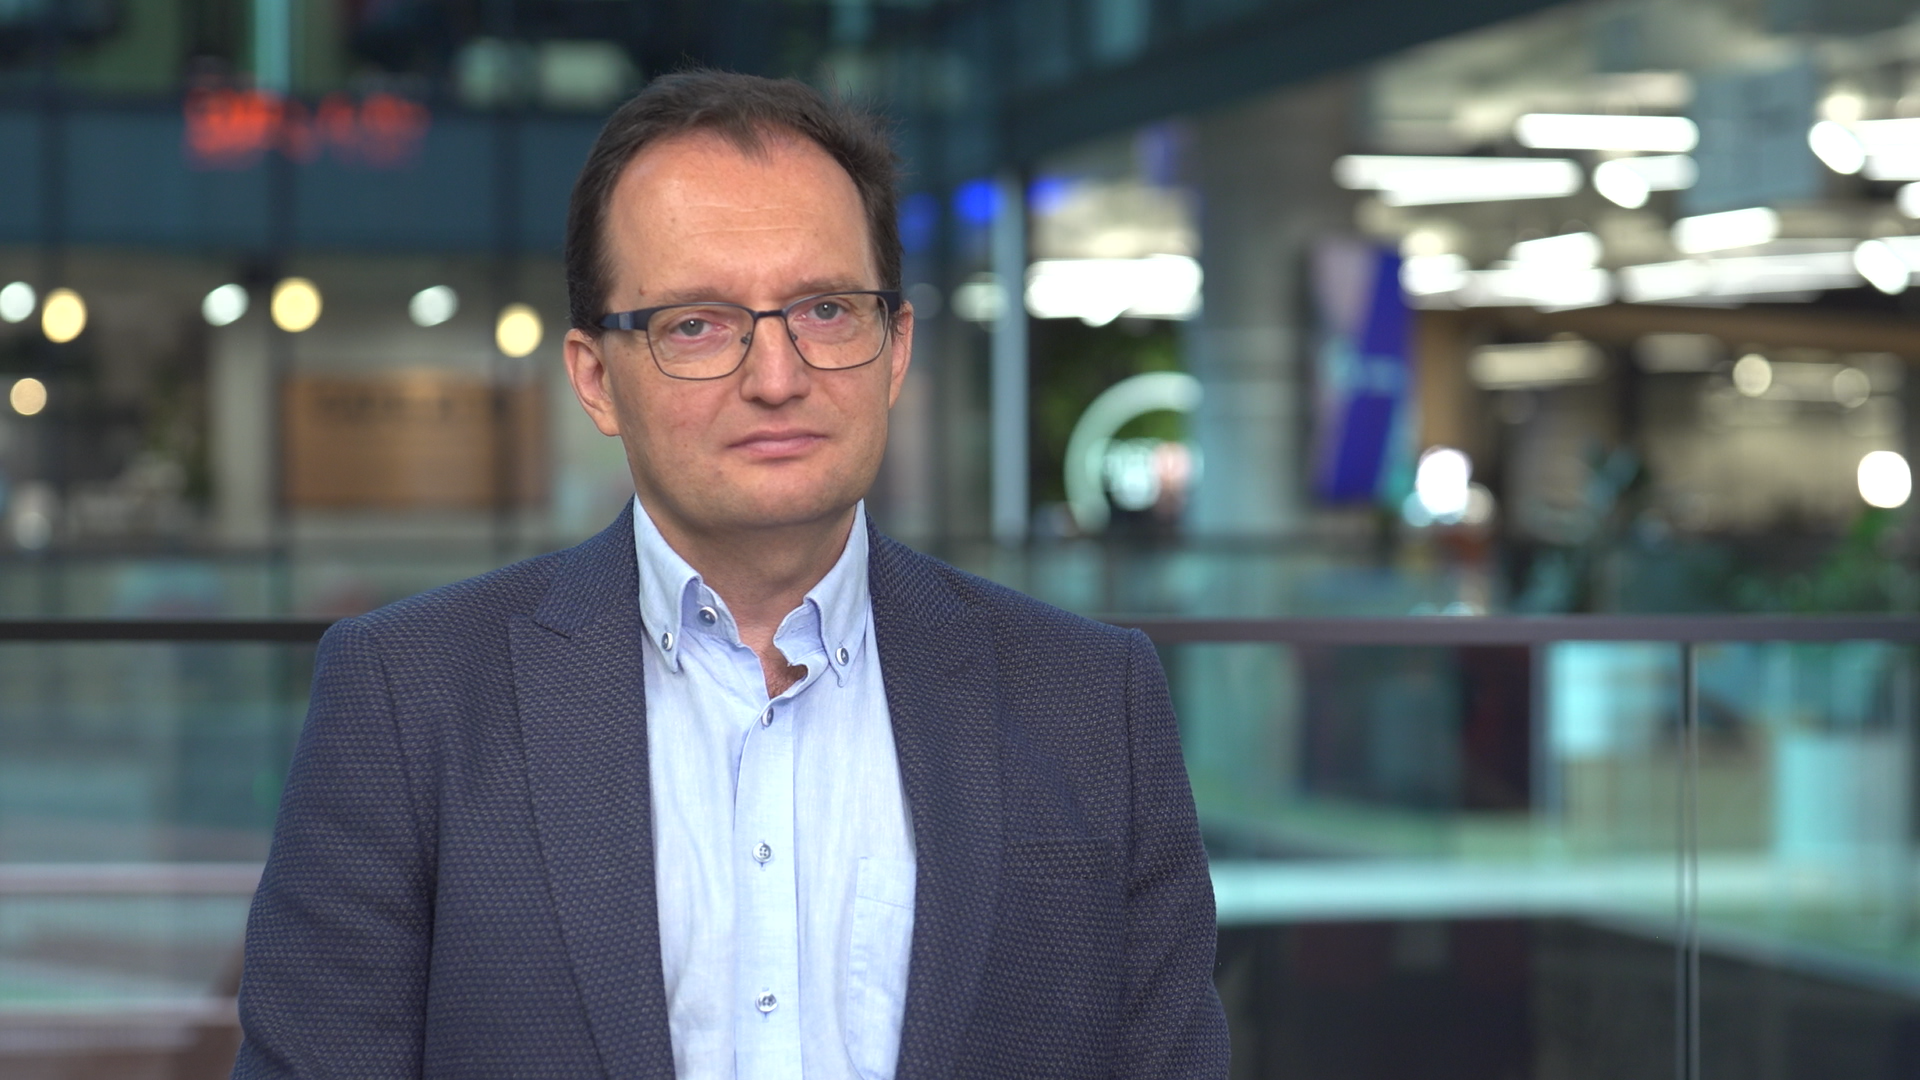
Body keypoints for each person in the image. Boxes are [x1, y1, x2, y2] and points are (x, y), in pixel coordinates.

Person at [232, 70, 1227, 1080]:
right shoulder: (409, 700)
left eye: (827, 310)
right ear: (594, 378)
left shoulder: (1091, 703)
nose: (777, 377)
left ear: (894, 349)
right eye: (697, 323)